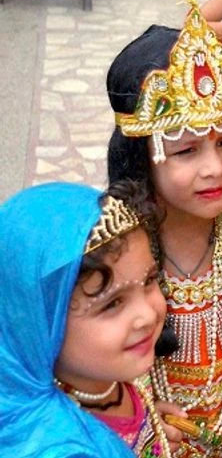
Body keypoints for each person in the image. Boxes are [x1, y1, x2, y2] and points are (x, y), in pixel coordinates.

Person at [105, 0, 222, 455]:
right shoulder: (111, 255)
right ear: (144, 155)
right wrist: (132, 412)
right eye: (186, 151)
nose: (215, 169)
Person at [0, 182, 180, 457]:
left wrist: (150, 431)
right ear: (40, 326)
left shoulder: (104, 379)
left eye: (149, 280)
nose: (146, 315)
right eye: (112, 304)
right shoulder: (59, 449)